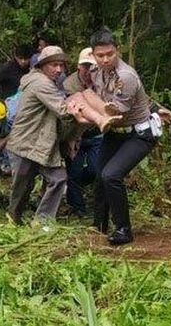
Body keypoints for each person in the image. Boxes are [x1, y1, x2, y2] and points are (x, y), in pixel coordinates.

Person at [89, 28, 162, 245]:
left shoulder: (126, 77)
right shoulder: (96, 72)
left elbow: (115, 115)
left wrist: (88, 113)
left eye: (109, 54)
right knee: (99, 174)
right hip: (116, 133)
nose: (105, 59)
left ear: (118, 51)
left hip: (139, 133)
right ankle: (98, 225)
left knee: (111, 175)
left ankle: (123, 229)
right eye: (100, 55)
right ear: (93, 55)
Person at [6, 45, 72, 226]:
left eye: (61, 66)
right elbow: (64, 110)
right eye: (54, 65)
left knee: (58, 179)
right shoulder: (41, 83)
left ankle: (42, 220)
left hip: (40, 143)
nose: (59, 70)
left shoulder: (45, 82)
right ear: (43, 65)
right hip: (25, 142)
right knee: (22, 186)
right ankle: (14, 217)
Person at [63, 47, 103, 217]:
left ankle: (79, 191)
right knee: (74, 171)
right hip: (75, 135)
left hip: (96, 134)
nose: (89, 71)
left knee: (96, 170)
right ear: (79, 66)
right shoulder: (69, 84)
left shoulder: (103, 81)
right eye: (85, 66)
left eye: (92, 67)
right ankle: (77, 207)